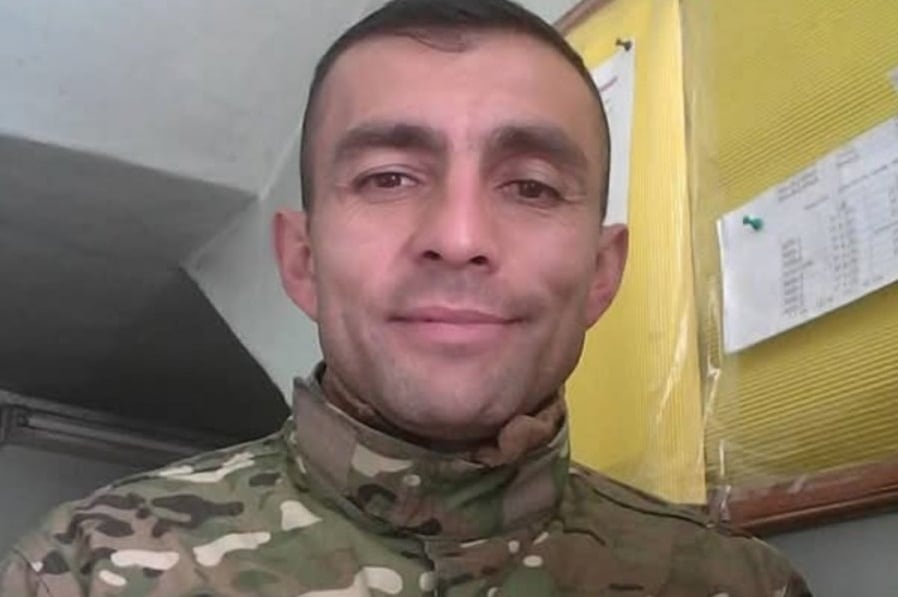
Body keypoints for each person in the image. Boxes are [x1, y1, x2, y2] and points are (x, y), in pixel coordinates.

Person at [0, 0, 811, 595]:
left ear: (603, 273)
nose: (458, 236)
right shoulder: (78, 570)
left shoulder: (741, 583)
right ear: (302, 261)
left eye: (530, 186)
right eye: (388, 177)